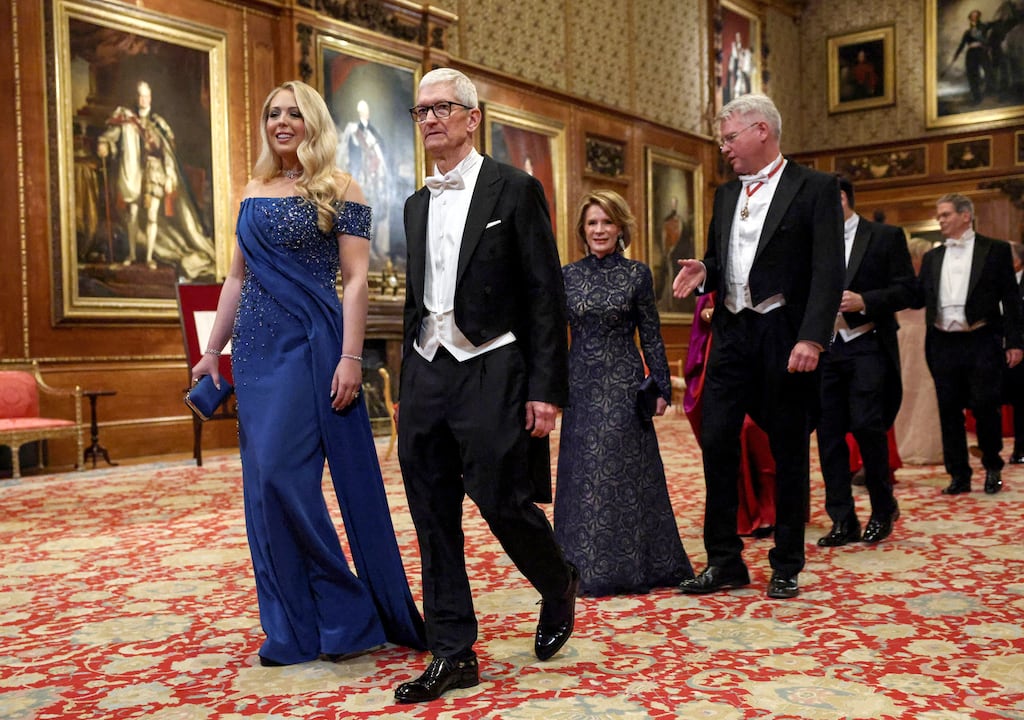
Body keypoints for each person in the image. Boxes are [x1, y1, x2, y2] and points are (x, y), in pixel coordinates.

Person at [189, 80, 424, 667]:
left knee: (283, 480)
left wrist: (351, 357)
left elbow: (356, 281)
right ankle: (294, 625)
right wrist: (212, 350)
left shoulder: (341, 188)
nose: (282, 122)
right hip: (256, 353)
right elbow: (236, 280)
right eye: (273, 113)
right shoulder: (252, 188)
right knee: (264, 489)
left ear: (313, 121)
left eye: (294, 113)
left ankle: (346, 611)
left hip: (311, 347)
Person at [394, 68, 578, 704]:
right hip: (425, 370)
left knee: (502, 500)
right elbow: (420, 295)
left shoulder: (514, 190)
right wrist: (406, 373)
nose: (431, 120)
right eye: (421, 112)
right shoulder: (416, 203)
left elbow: (544, 296)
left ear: (473, 118)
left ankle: (557, 581)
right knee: (431, 513)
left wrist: (546, 390)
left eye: (443, 108)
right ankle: (454, 652)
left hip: (493, 366)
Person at [672, 93, 844, 600]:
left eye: (730, 137)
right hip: (732, 336)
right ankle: (724, 560)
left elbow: (828, 271)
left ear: (762, 131)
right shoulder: (726, 195)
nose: (724, 147)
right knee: (717, 444)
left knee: (788, 452)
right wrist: (706, 271)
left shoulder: (815, 188)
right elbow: (719, 261)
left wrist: (813, 336)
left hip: (785, 337)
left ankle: (787, 561)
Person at [554, 190, 693, 597]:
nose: (599, 230)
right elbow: (550, 335)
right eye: (592, 223)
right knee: (583, 473)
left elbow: (651, 334)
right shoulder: (567, 276)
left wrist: (663, 386)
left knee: (619, 470)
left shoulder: (637, 275)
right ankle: (576, 566)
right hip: (580, 383)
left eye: (607, 222)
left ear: (620, 228)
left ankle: (632, 565)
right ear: (583, 229)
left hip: (622, 384)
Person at [816, 176, 915, 548]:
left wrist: (866, 301)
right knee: (828, 437)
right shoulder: (812, 240)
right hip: (824, 349)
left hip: (867, 344)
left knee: (866, 427)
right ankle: (842, 519)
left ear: (841, 198)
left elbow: (909, 289)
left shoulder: (885, 237)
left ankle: (882, 506)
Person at [916, 193, 1024, 496]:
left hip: (981, 340)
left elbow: (1011, 301)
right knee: (948, 410)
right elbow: (917, 295)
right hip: (941, 343)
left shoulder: (996, 250)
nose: (940, 220)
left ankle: (992, 467)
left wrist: (1015, 342)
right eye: (938, 215)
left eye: (946, 214)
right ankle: (958, 475)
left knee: (985, 407)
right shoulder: (932, 257)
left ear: (966, 216)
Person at [97, 80, 215, 277]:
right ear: (136, 98)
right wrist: (104, 145)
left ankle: (149, 257)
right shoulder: (127, 120)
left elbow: (168, 153)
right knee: (132, 214)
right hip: (134, 173)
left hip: (155, 173)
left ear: (151, 98)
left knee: (152, 216)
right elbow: (109, 136)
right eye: (140, 96)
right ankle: (133, 255)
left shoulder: (158, 124)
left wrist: (169, 175)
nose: (143, 100)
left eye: (147, 96)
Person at [684, 292, 777, 538]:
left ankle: (769, 509)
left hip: (765, 360)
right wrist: (707, 315)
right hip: (725, 363)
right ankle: (739, 515)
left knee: (762, 437)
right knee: (730, 439)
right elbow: (703, 313)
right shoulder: (715, 276)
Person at [893, 237, 944, 465]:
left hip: (928, 335)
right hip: (903, 338)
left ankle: (931, 446)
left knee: (928, 392)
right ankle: (904, 444)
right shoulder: (899, 280)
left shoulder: (934, 279)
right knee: (904, 392)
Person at [336, 99, 391, 266]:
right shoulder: (353, 131)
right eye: (363, 111)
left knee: (376, 215)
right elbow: (347, 156)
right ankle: (363, 250)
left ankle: (374, 247)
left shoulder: (373, 133)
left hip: (375, 181)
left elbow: (379, 156)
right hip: (361, 180)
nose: (365, 114)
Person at [1005, 242, 1024, 464]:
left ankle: (1020, 447)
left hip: (1021, 349)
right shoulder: (995, 283)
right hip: (998, 348)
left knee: (1021, 402)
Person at [950, 10, 992, 104]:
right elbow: (962, 45)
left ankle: (988, 90)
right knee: (972, 75)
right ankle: (977, 97)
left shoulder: (983, 28)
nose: (974, 17)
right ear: (970, 18)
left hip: (981, 52)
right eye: (972, 16)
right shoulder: (967, 32)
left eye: (976, 15)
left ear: (978, 17)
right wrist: (956, 55)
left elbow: (986, 36)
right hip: (971, 54)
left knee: (988, 71)